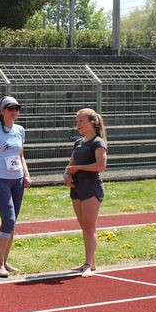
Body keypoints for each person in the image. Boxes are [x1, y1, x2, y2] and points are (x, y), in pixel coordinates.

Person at [0, 96, 30, 278]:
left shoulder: (20, 130)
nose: (15, 112)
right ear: (2, 111)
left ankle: (5, 261)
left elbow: (21, 155)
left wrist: (26, 173)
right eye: (11, 108)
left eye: (17, 108)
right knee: (8, 219)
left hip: (16, 180)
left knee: (12, 223)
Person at [64, 108, 108, 277]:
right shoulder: (78, 142)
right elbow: (70, 164)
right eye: (77, 121)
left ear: (92, 122)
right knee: (84, 227)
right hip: (77, 188)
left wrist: (79, 168)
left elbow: (101, 166)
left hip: (91, 187)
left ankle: (88, 264)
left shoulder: (98, 142)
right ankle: (91, 261)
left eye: (81, 121)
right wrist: (66, 174)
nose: (78, 124)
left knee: (90, 227)